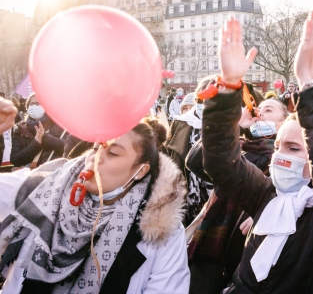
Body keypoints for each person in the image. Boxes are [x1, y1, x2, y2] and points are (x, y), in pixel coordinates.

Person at [198, 12, 313, 293]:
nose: (279, 156)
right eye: (278, 147)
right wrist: (228, 87)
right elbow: (220, 160)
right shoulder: (265, 196)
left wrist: (308, 80)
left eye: (294, 148)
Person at [0, 122, 190, 293]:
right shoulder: (45, 187)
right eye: (96, 147)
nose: (96, 158)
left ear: (140, 170)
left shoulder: (162, 229)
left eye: (113, 153)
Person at [186, 98, 288, 294]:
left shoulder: (284, 156)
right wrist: (235, 124)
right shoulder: (238, 146)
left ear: (283, 120)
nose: (260, 113)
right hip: (214, 242)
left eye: (269, 110)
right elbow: (195, 161)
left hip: (245, 245)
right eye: (259, 108)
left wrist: (267, 210)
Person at [166, 78, 212, 226]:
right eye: (201, 98)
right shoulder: (181, 122)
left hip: (218, 188)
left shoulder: (233, 123)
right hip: (188, 188)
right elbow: (170, 155)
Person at [10, 93, 67, 169]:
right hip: (31, 175)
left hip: (54, 173)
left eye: (38, 103)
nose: (34, 106)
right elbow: (15, 160)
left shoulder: (60, 125)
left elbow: (68, 148)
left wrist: (45, 137)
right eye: (31, 104)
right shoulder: (20, 128)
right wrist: (36, 143)